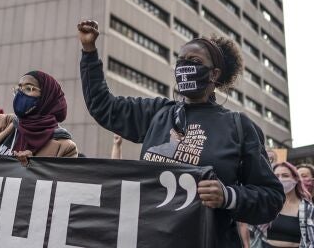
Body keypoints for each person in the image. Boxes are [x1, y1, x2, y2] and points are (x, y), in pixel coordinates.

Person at [77, 19, 283, 247]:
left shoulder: (239, 127)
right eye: (181, 61)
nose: (184, 66)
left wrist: (228, 196)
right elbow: (104, 107)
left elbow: (271, 198)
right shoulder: (157, 113)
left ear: (214, 74)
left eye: (194, 61)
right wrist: (89, 51)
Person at [245, 162, 314, 248]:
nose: (280, 179)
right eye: (276, 176)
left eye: (285, 175)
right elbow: (247, 227)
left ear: (296, 179)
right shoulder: (268, 204)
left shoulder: (308, 208)